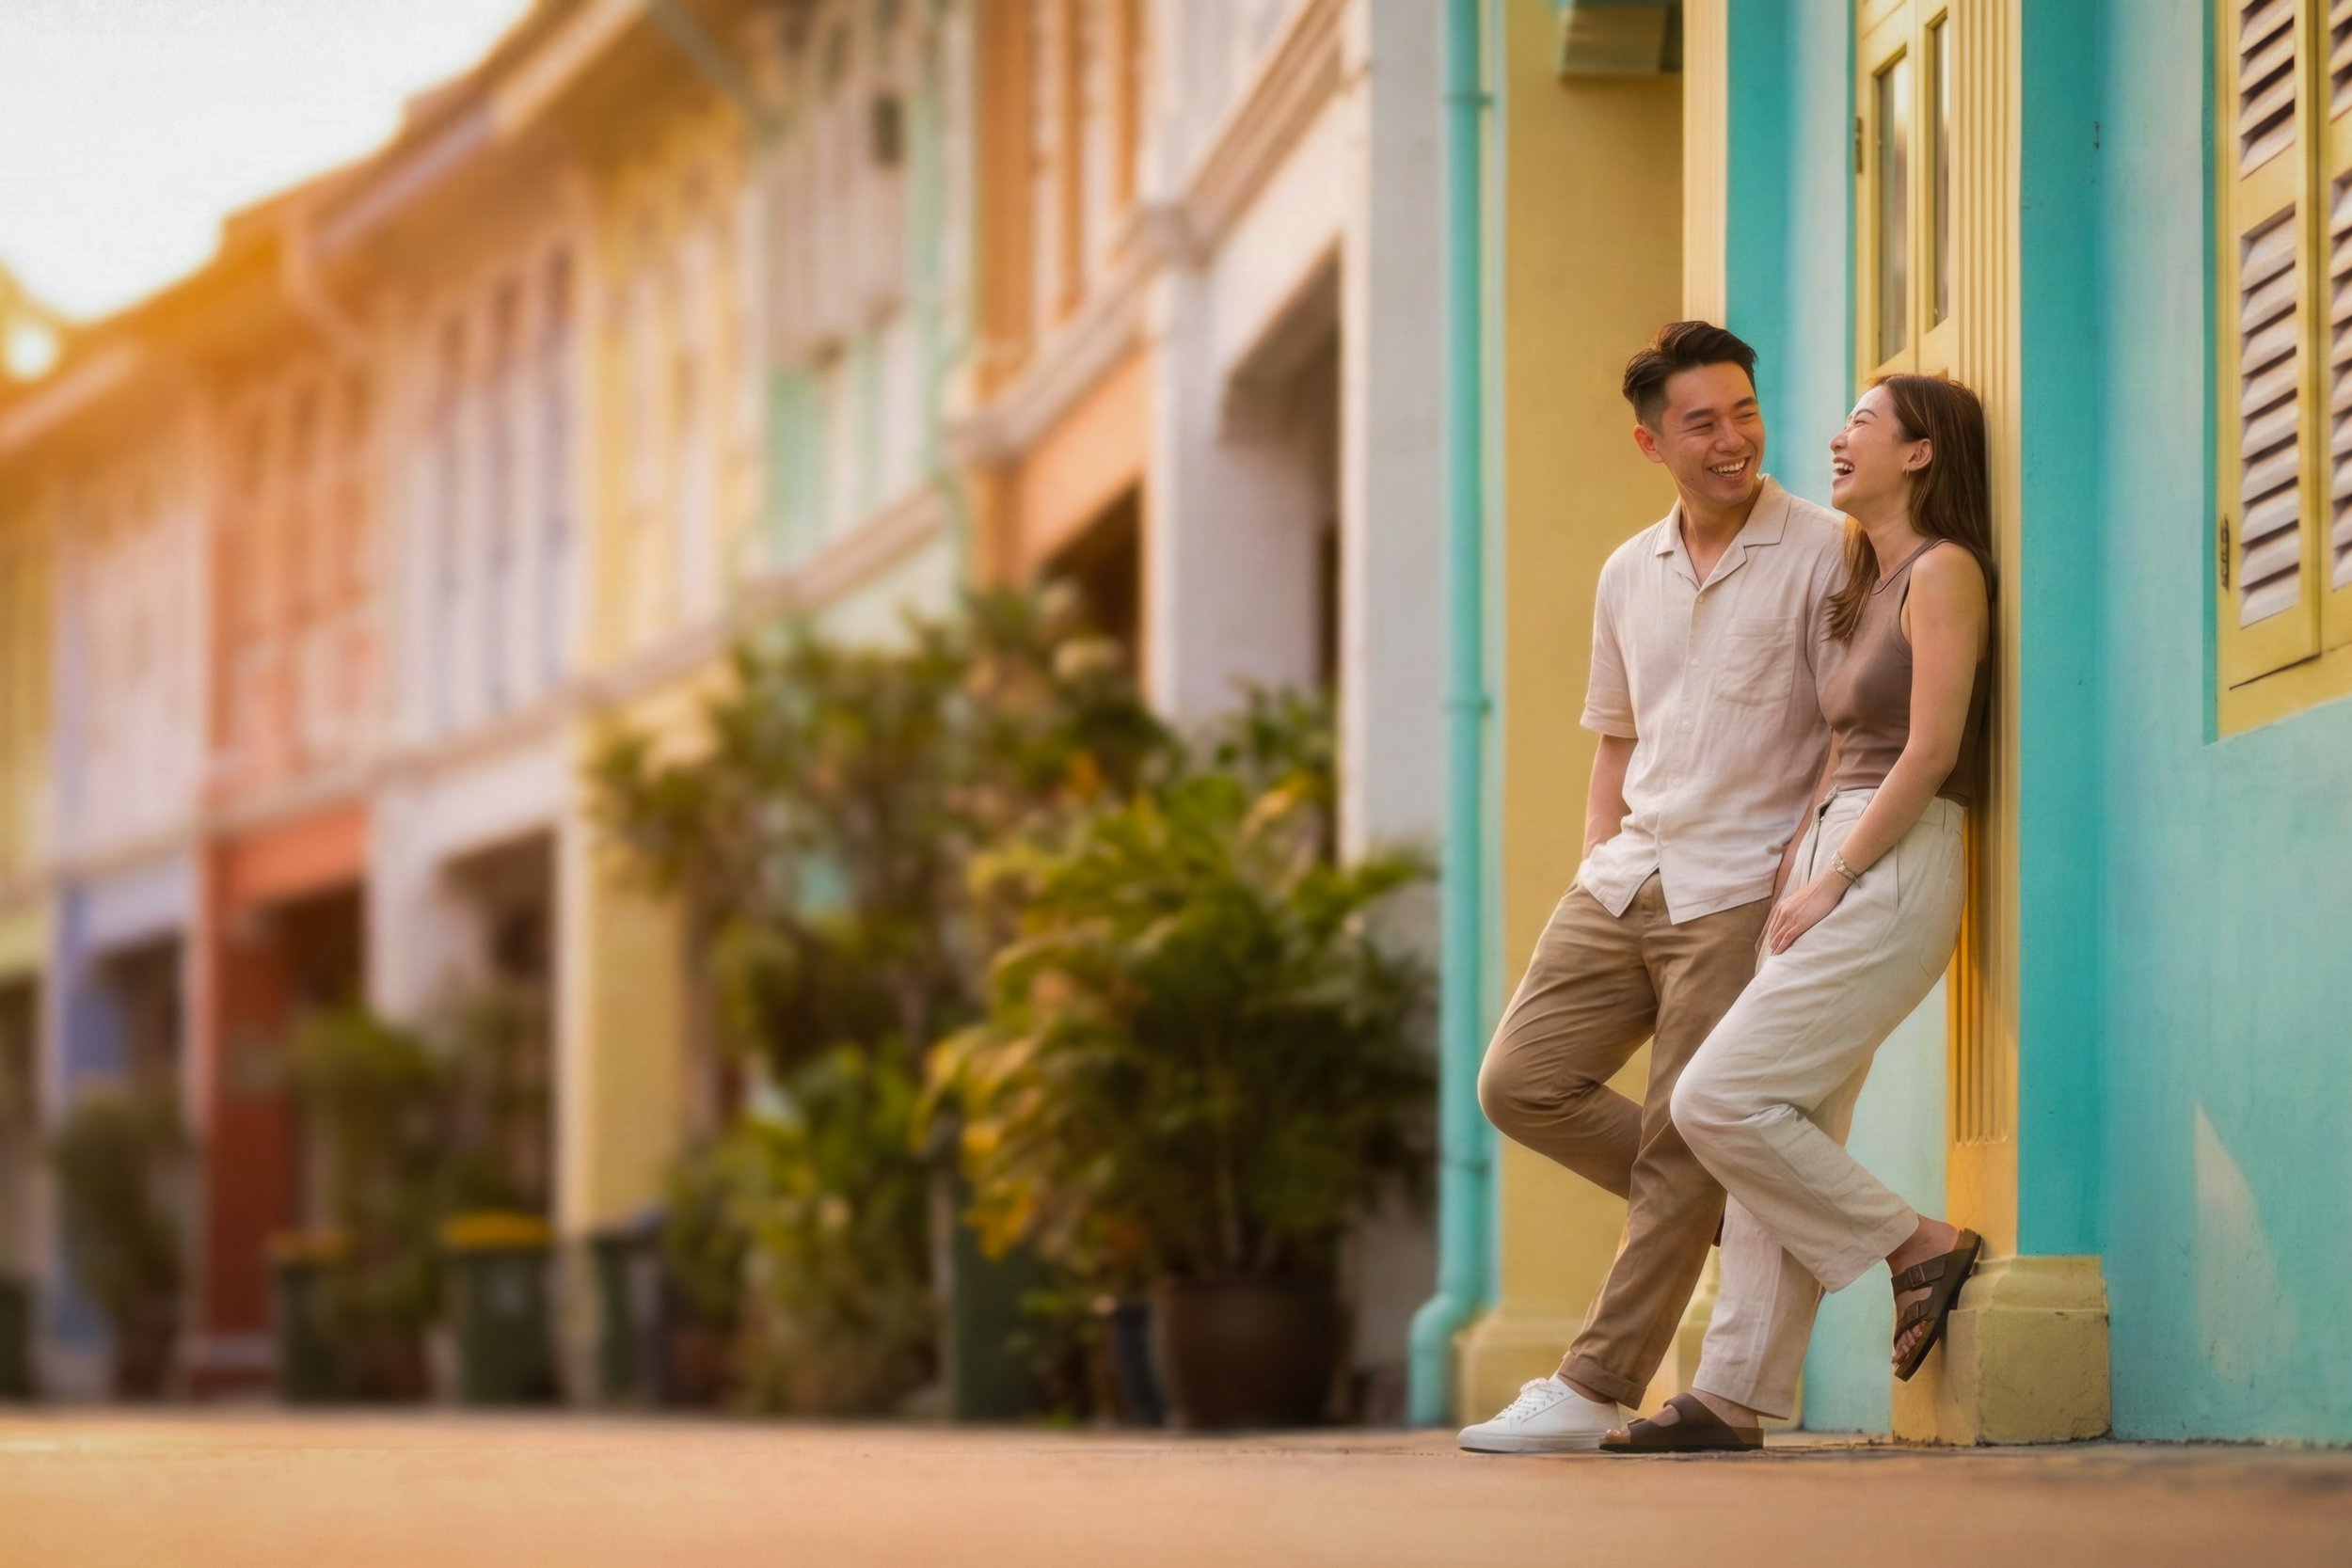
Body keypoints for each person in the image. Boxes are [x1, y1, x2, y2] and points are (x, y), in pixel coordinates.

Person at [1458, 322, 1847, 1453]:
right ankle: (1750, 1199)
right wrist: (1594, 855)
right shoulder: (1628, 569)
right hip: (1629, 875)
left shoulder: (1823, 550)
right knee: (1519, 1082)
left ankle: (1591, 1384)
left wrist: (1799, 865)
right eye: (1702, 422)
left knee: (1683, 1136)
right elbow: (1615, 736)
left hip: (1738, 885)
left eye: (1744, 412)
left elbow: (1842, 731)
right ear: (1650, 441)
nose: (1732, 439)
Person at [1601, 372, 1994, 1455]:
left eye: (1862, 422)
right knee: (1789, 1118)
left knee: (1720, 1097)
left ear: (1918, 453)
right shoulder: (1871, 577)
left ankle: (1915, 1241)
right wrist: (1800, 860)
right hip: (1836, 847)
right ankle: (1733, 1391)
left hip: (1892, 851)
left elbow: (1930, 747)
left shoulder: (1943, 572)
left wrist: (1836, 871)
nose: (1835, 436)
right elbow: (1841, 744)